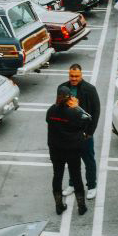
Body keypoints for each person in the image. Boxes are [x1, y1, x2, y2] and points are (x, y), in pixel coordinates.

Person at [56, 64, 101, 200]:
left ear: (81, 75)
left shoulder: (90, 89)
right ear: (68, 75)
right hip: (69, 134)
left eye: (76, 76)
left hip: (84, 133)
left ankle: (92, 186)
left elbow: (96, 111)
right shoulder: (62, 87)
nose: (74, 78)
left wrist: (89, 132)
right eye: (71, 76)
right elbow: (58, 108)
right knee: (71, 160)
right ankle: (72, 184)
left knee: (89, 161)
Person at [46, 90, 91, 215]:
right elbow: (87, 120)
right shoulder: (73, 113)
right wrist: (77, 107)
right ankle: (81, 206)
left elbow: (49, 122)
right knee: (76, 176)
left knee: (57, 175)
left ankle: (59, 205)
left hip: (55, 149)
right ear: (70, 98)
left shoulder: (51, 110)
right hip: (72, 149)